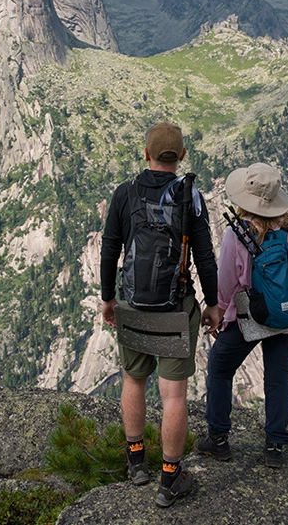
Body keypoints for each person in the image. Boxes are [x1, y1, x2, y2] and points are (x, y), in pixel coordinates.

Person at [99, 122, 222, 507]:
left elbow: (110, 250)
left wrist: (108, 299)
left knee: (133, 381)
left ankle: (137, 462)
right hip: (175, 309)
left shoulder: (125, 193)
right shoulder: (190, 197)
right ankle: (170, 479)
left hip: (133, 305)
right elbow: (205, 257)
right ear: (182, 156)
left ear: (146, 154)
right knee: (174, 396)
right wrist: (213, 303)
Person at [197, 162, 288, 468]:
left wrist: (221, 312)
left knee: (220, 368)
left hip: (250, 318)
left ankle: (218, 440)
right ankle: (275, 446)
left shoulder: (237, 233)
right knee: (277, 379)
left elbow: (227, 282)